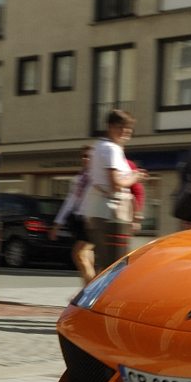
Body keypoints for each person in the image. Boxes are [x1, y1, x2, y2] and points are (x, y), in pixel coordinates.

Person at [83, 109, 145, 273]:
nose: (124, 131)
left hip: (97, 211)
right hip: (112, 213)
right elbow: (116, 183)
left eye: (128, 128)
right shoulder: (112, 149)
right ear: (109, 127)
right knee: (115, 266)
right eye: (120, 127)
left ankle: (97, 298)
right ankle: (108, 298)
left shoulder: (98, 146)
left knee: (102, 264)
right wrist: (134, 176)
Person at [50, 145, 95, 284]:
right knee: (86, 258)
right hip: (79, 221)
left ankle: (92, 291)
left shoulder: (99, 177)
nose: (85, 158)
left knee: (78, 254)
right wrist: (57, 225)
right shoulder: (79, 179)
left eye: (89, 156)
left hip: (93, 221)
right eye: (83, 156)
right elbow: (70, 202)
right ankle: (87, 292)